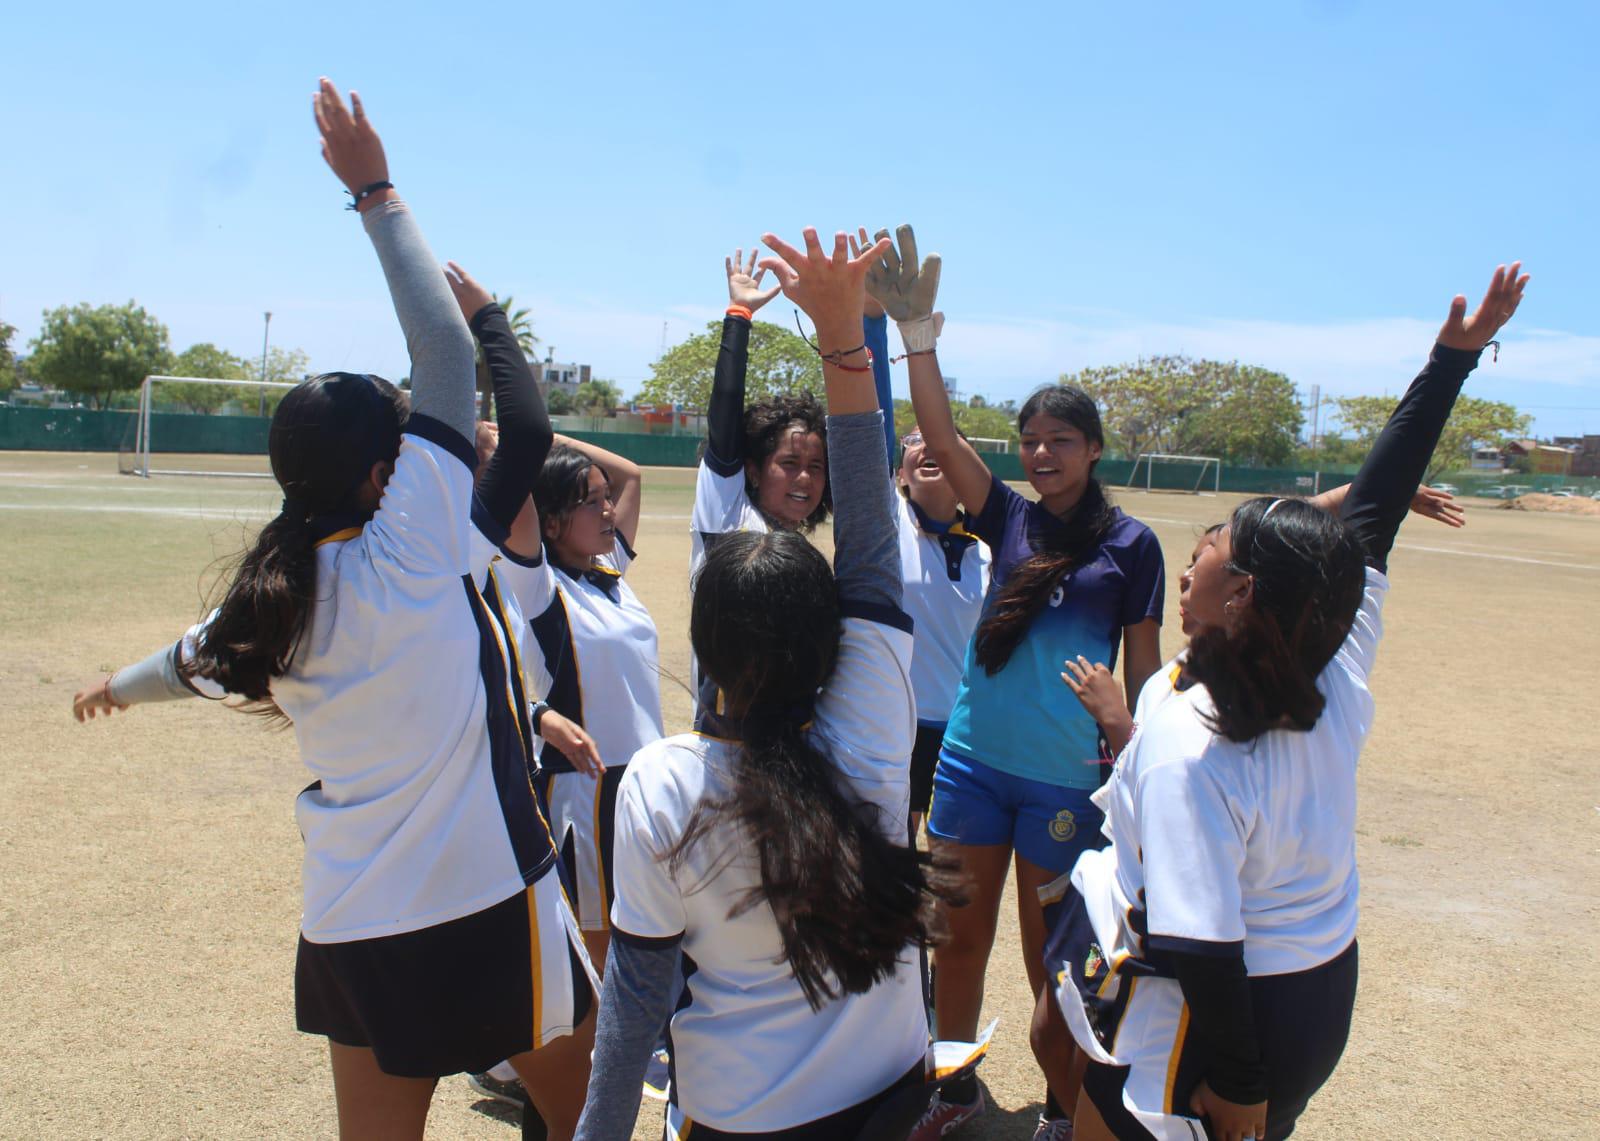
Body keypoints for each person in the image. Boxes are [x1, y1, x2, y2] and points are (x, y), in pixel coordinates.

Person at [70, 81, 595, 1140]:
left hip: (351, 917)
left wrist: (111, 690)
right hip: (490, 899)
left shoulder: (269, 602)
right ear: (377, 475)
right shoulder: (410, 545)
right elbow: (450, 358)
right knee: (588, 1123)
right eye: (402, 444)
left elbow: (179, 665)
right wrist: (375, 190)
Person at [1048, 264, 1527, 1141]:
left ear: (1242, 597)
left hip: (1226, 1010)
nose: (1190, 560)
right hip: (1319, 989)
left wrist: (1235, 1080)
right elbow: (1373, 514)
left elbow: (1200, 940)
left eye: (1215, 548)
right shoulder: (1331, 657)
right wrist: (1449, 362)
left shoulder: (1196, 745)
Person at [572, 227, 965, 1141]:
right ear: (833, 638)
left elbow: (635, 1005)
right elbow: (871, 530)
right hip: (891, 1097)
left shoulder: (663, 786)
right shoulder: (873, 723)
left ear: (708, 642)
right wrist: (846, 337)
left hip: (746, 1117)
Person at [865, 227, 1166, 1140]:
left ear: (1095, 448)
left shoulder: (1133, 546)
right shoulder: (1009, 518)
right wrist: (919, 339)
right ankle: (952, 1093)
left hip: (1064, 784)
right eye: (1032, 441)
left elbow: (1145, 668)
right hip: (970, 766)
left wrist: (1140, 746)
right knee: (954, 940)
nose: (1041, 455)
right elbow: (944, 436)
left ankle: (1063, 1112)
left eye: (1060, 441)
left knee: (1056, 967)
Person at [860, 268, 992, 839]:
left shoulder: (989, 552)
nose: (924, 448)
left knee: (952, 865)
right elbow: (874, 419)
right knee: (892, 851)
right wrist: (872, 321)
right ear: (898, 474)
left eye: (935, 440)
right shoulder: (889, 527)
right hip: (894, 727)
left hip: (966, 731)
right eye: (911, 446)